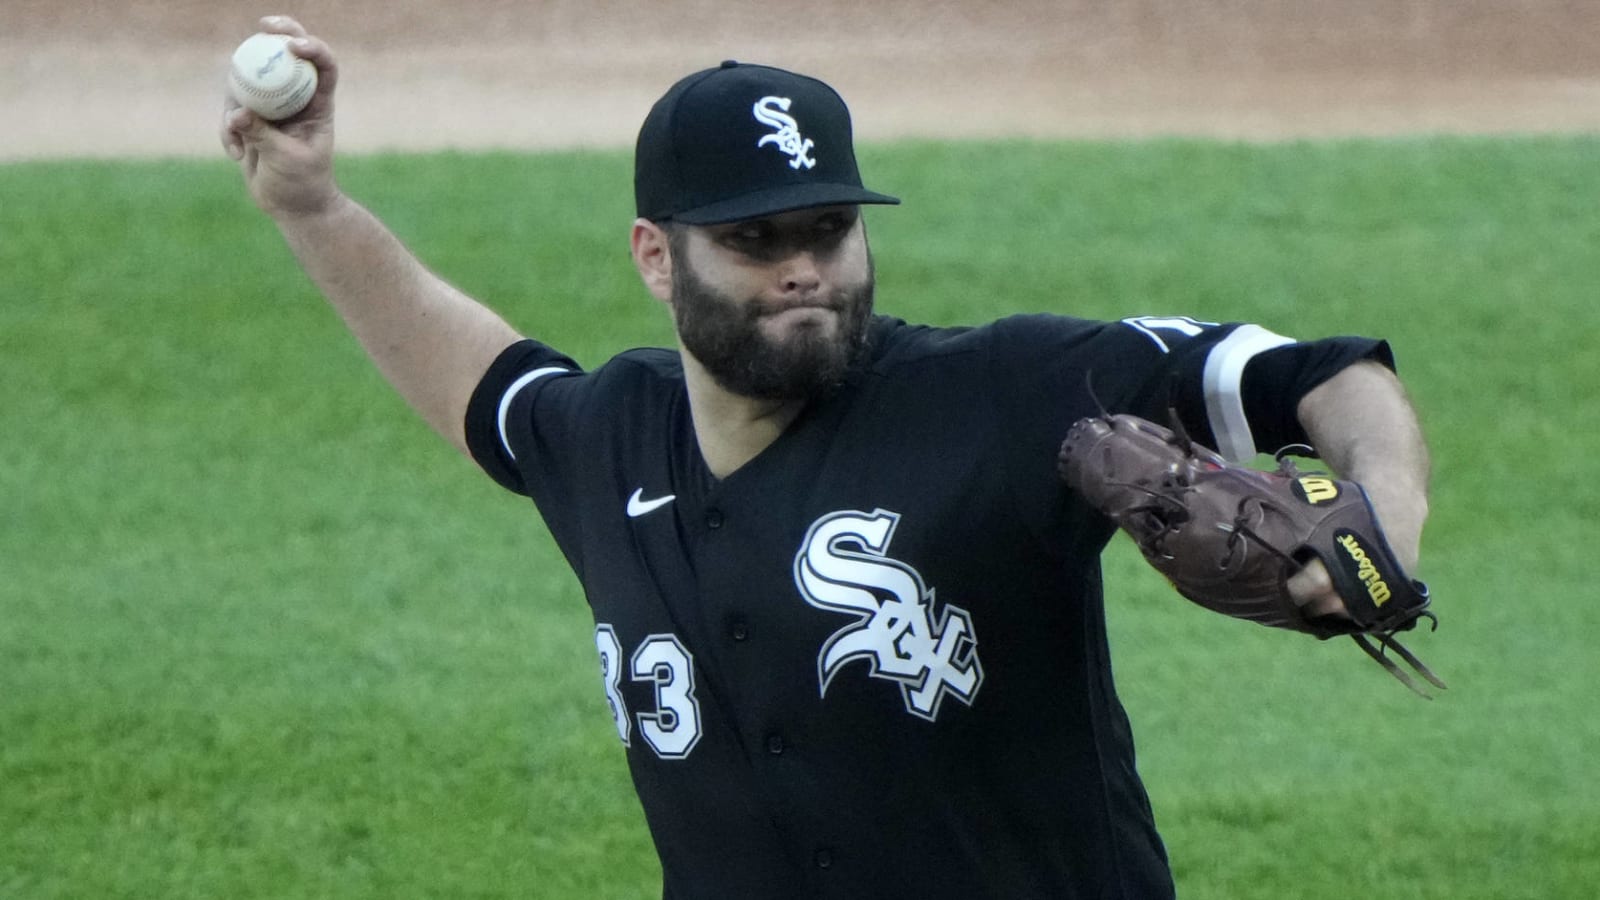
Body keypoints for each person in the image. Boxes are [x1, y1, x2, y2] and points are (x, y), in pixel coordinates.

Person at [222, 16, 1431, 899]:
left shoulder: (1006, 393)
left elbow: (1314, 372)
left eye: (828, 229)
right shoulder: (613, 437)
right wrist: (313, 208)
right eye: (755, 239)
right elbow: (478, 380)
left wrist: (1380, 519)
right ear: (657, 256)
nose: (803, 266)